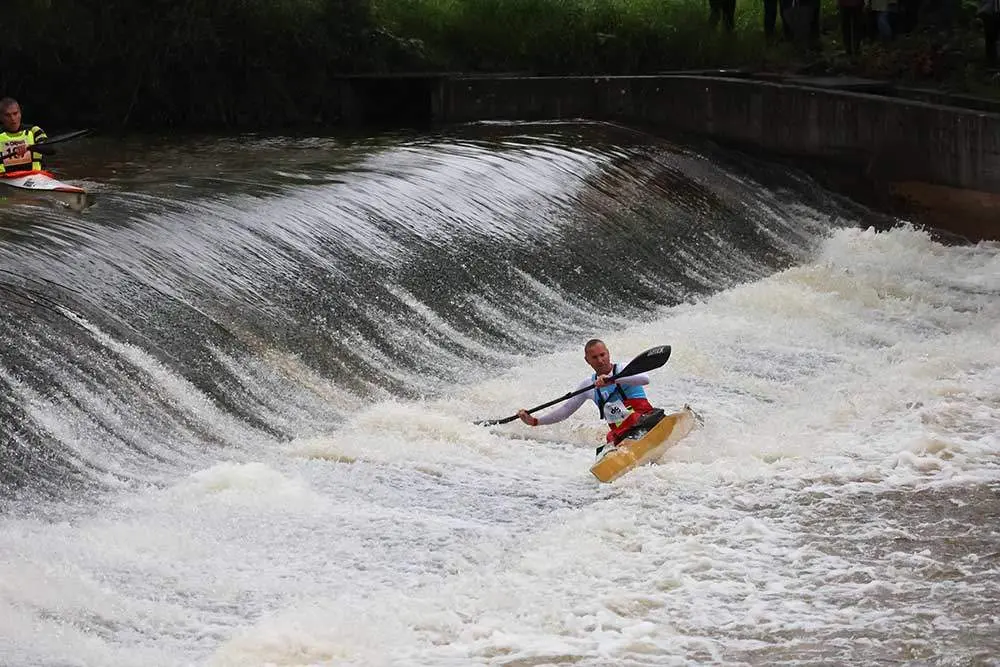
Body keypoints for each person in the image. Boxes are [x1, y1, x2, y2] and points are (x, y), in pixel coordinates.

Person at [517, 339, 663, 458]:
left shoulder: (623, 369)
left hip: (645, 421)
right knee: (606, 442)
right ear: (587, 360)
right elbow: (565, 410)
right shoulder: (588, 385)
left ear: (608, 353)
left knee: (622, 420)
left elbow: (645, 379)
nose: (600, 360)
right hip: (623, 433)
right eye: (594, 357)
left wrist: (612, 380)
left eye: (602, 355)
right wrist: (535, 421)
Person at [0, 97, 48, 176]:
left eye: (15, 113)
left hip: (35, 176)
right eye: (7, 115)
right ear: (1, 117)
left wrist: (30, 147)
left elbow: (51, 149)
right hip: (5, 177)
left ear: (20, 113)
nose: (13, 118)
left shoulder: (34, 130)